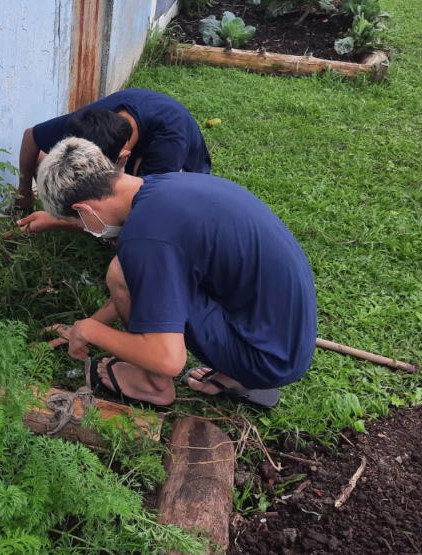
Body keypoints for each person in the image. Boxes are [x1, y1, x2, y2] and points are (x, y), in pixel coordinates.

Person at [40, 138, 317, 408]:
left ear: (83, 209)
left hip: (268, 359)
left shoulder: (145, 237)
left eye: (76, 221)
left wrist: (90, 330)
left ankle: (153, 384)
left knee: (120, 273)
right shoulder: (162, 186)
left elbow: (169, 359)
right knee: (130, 273)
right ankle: (232, 373)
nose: (86, 229)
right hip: (282, 335)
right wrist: (87, 324)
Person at [16, 88, 211, 233]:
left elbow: (148, 211)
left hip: (184, 177)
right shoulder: (91, 121)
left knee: (134, 227)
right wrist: (23, 193)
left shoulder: (168, 145)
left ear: (122, 158)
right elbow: (31, 137)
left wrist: (57, 221)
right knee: (45, 162)